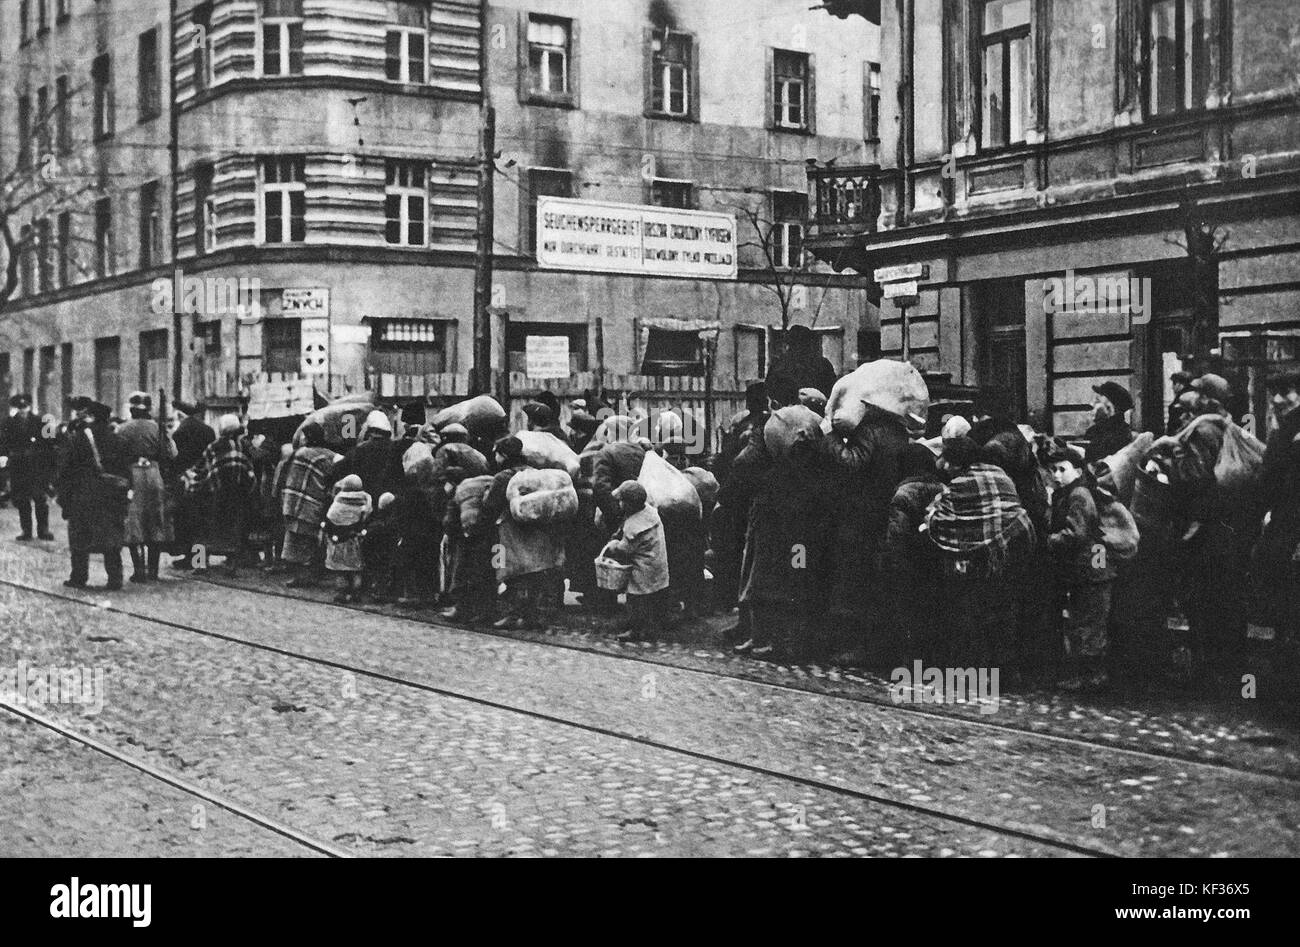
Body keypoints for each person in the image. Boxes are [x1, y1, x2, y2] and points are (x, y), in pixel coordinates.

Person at [924, 435, 1036, 669]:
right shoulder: (1000, 474)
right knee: (1005, 614)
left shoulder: (961, 484)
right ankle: (1006, 673)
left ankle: (980, 671)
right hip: (1013, 548)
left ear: (958, 463)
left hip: (983, 561)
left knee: (979, 614)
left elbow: (942, 522)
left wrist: (931, 515)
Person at [1045, 443, 1116, 690]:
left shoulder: (1079, 495)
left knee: (1090, 625)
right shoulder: (1069, 493)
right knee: (1082, 623)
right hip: (1084, 571)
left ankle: (1094, 677)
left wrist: (1048, 541)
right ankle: (1087, 676)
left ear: (1076, 469)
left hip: (1091, 571)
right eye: (1052, 470)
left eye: (1062, 469)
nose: (1056, 475)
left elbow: (1076, 533)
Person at [481, 436, 565, 631]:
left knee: (505, 571)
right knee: (534, 572)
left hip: (506, 533)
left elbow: (489, 506)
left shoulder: (502, 477)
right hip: (537, 532)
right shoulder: (535, 474)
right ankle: (533, 615)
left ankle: (511, 613)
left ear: (502, 455)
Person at [879, 442, 945, 663]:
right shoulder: (943, 489)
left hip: (910, 565)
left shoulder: (903, 494)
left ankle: (908, 664)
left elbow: (896, 536)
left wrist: (890, 566)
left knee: (908, 615)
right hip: (937, 563)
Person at [56, 398, 128, 589]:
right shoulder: (116, 438)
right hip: (111, 495)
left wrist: (63, 497)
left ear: (92, 417)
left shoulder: (79, 437)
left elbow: (66, 469)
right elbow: (125, 469)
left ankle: (79, 577)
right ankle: (115, 578)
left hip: (84, 494)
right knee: (111, 536)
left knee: (80, 536)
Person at [1253, 368, 1300, 642]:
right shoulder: (1284, 429)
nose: (1278, 400)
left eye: (1287, 392)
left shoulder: (1291, 432)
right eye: (1275, 394)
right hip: (1284, 523)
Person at [115, 392, 177, 582]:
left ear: (132, 409)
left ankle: (139, 571)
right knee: (156, 519)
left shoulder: (123, 429)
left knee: (134, 522)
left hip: (132, 475)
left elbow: (116, 454)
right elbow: (172, 453)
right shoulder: (159, 428)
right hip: (155, 474)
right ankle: (154, 572)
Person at [188, 415, 258, 574]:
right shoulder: (244, 446)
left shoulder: (214, 446)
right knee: (233, 529)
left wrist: (194, 485)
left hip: (214, 494)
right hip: (237, 494)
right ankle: (231, 565)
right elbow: (250, 471)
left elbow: (202, 468)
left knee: (203, 528)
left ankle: (199, 563)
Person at [602, 481, 670, 642]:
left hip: (643, 568)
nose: (619, 503)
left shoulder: (635, 526)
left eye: (622, 501)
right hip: (657, 562)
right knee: (653, 597)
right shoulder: (650, 512)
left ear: (629, 504)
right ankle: (652, 626)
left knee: (636, 599)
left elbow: (624, 549)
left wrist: (613, 546)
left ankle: (636, 630)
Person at [279, 421, 339, 588]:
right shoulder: (331, 456)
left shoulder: (301, 453)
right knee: (313, 541)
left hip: (295, 503)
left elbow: (288, 476)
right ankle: (313, 575)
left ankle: (300, 577)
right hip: (317, 503)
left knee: (297, 541)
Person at [0, 394, 55, 541]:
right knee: (22, 500)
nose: (23, 410)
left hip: (37, 466)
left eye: (25, 407)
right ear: (16, 408)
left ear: (30, 406)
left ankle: (43, 530)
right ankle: (26, 530)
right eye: (20, 407)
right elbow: (3, 442)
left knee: (40, 499)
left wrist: (47, 464)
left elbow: (49, 444)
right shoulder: (8, 423)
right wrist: (4, 457)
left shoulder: (41, 421)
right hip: (19, 466)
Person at [168, 400, 216, 569]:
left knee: (186, 521)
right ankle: (201, 559)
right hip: (204, 479)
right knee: (201, 522)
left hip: (184, 480)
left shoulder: (180, 431)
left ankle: (190, 558)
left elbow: (175, 457)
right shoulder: (208, 431)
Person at [329, 409, 400, 505]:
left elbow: (337, 471)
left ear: (369, 430)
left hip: (364, 503)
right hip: (387, 503)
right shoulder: (396, 449)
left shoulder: (359, 450)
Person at [323, 474, 372, 603]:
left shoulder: (338, 501)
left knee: (340, 570)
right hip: (354, 541)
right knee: (356, 570)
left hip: (337, 542)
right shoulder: (365, 501)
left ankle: (342, 593)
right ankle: (356, 593)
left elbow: (330, 518)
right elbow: (366, 518)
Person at [766, 325, 837, 407]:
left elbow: (769, 390)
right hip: (816, 412)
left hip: (786, 413)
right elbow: (832, 392)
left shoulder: (778, 364)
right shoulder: (822, 364)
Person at [1084, 382, 1135, 465]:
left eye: (1097, 401)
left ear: (1111, 408)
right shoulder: (1099, 430)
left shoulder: (1119, 434)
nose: (1092, 404)